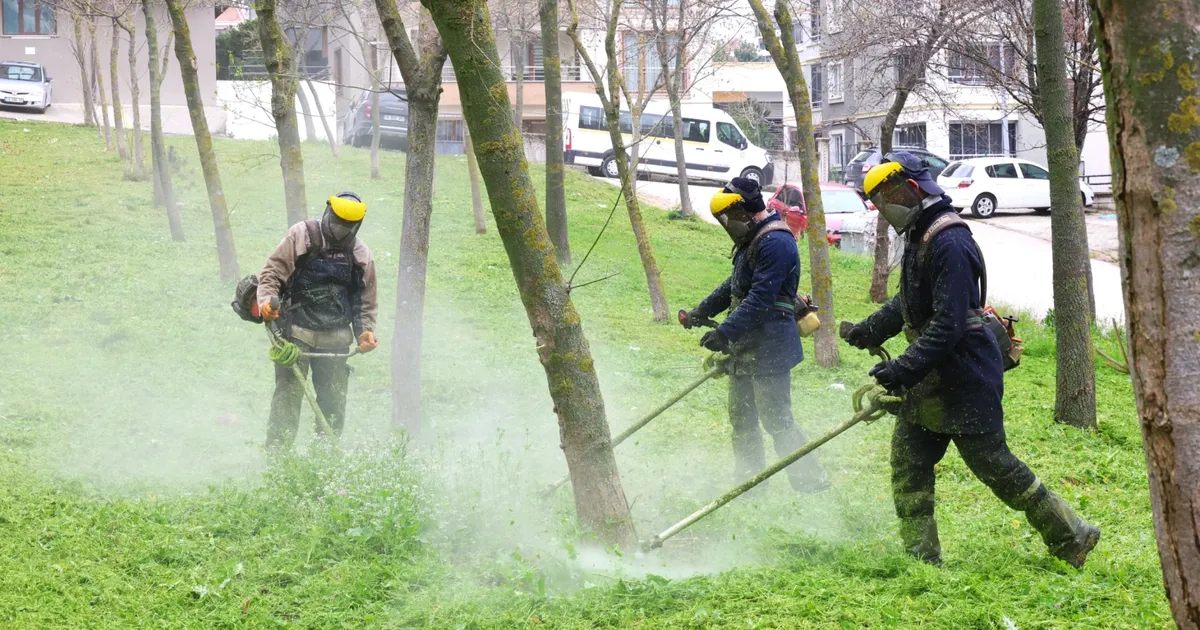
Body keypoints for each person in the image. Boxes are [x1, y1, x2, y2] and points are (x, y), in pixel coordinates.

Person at [844, 152, 1100, 567]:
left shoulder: (951, 240)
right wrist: (870, 329)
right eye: (878, 198)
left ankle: (1073, 533)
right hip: (931, 376)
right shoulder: (919, 233)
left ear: (913, 189)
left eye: (888, 194)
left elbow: (948, 324)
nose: (884, 206)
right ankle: (920, 557)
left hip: (964, 376)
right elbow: (911, 301)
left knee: (995, 467)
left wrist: (900, 369)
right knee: (909, 464)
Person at [682, 177, 828, 493]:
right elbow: (733, 285)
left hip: (770, 346)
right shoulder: (753, 240)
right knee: (742, 417)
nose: (728, 224)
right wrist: (701, 311)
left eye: (731, 217)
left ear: (747, 211)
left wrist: (724, 332)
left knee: (776, 418)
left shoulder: (776, 242)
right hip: (746, 344)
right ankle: (750, 481)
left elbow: (761, 298)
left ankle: (811, 481)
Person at [257, 192, 379, 449]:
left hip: (336, 341)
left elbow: (365, 299)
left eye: (348, 226)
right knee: (287, 401)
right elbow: (272, 272)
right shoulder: (302, 235)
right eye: (337, 223)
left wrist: (365, 332)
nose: (340, 230)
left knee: (333, 405)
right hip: (295, 334)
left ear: (357, 224)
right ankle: (278, 461)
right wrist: (267, 301)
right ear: (328, 213)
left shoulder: (361, 254)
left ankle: (324, 459)